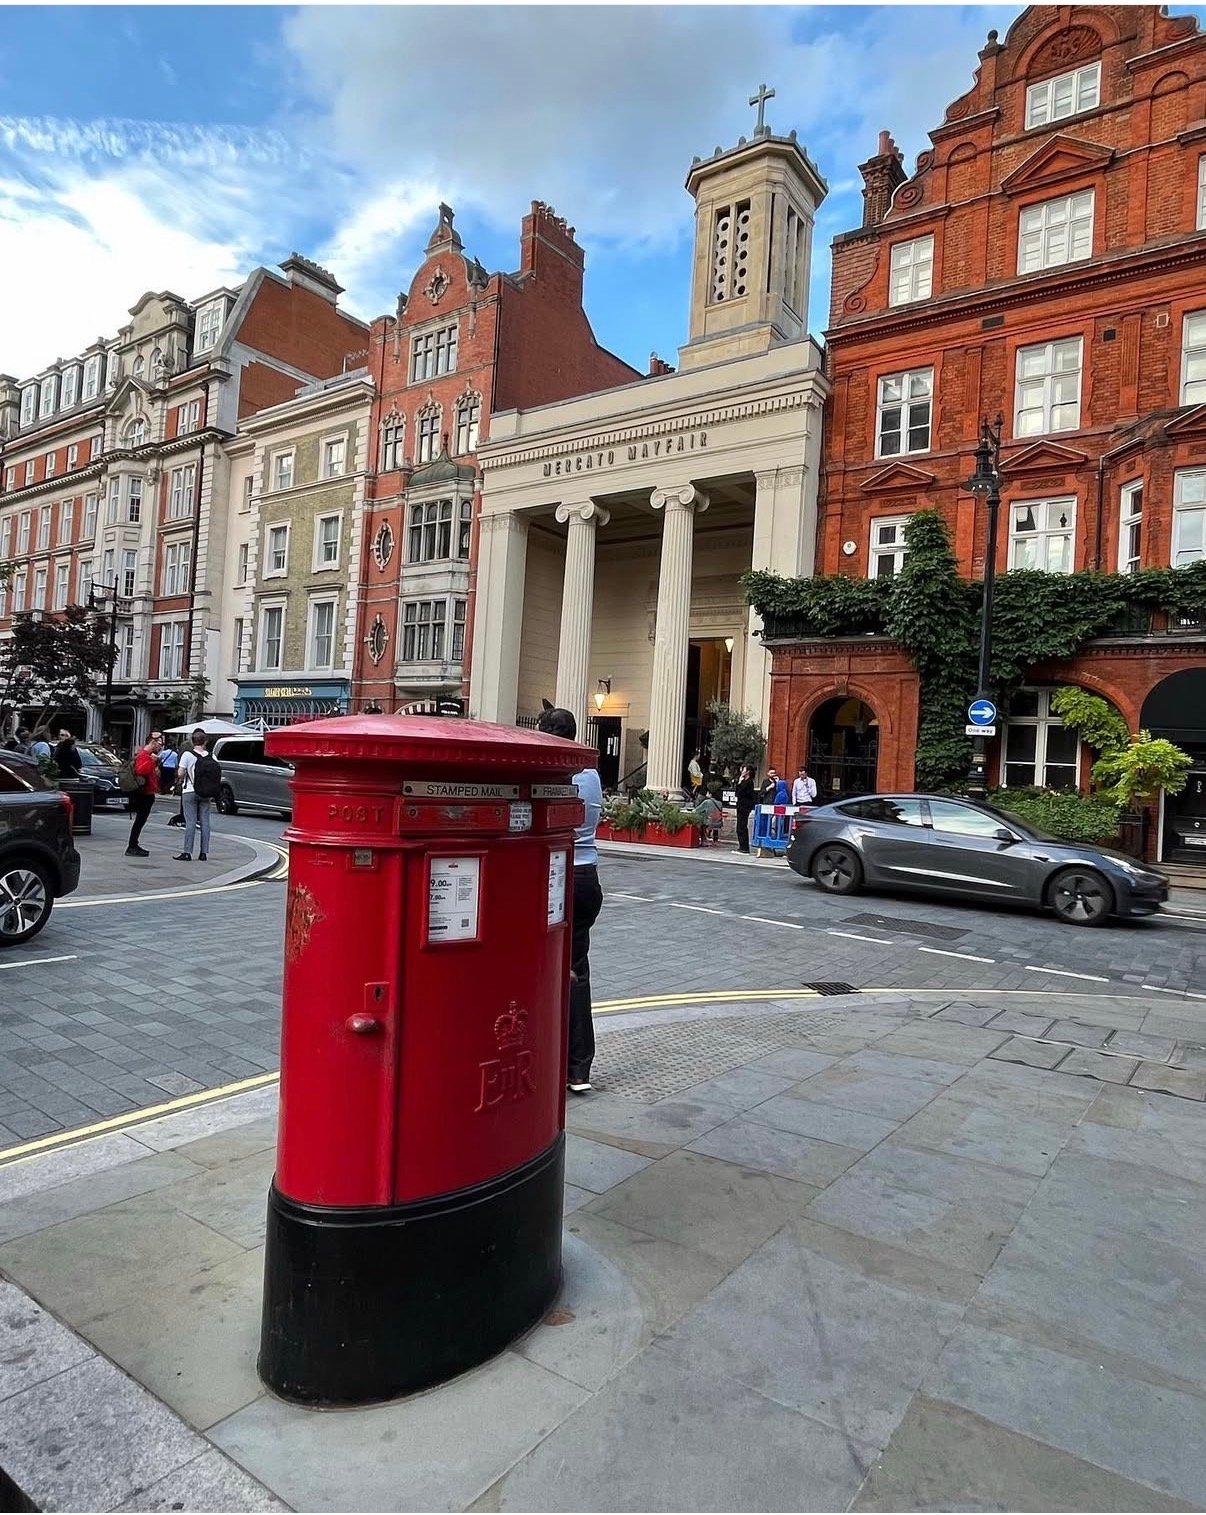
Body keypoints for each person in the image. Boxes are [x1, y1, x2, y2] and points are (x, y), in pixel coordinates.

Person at [537, 706, 603, 1096]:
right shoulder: (592, 774)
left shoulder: (556, 772)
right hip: (588, 876)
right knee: (577, 972)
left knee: (546, 968)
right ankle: (579, 1068)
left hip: (559, 876)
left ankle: (545, 1057)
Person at [174, 728, 215, 862]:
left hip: (190, 791)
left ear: (192, 741)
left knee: (190, 822)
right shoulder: (210, 756)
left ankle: (187, 852)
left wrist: (183, 775)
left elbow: (180, 773)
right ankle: (203, 853)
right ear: (206, 741)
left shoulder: (187, 754)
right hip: (206, 792)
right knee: (205, 822)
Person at [125, 730, 164, 856]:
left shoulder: (147, 754)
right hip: (144, 793)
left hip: (147, 792)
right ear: (153, 743)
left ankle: (133, 844)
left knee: (140, 821)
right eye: (159, 744)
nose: (160, 747)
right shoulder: (145, 755)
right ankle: (132, 845)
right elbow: (141, 771)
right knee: (139, 821)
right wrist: (153, 761)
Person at [734, 765, 757, 854]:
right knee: (740, 826)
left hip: (744, 807)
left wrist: (739, 783)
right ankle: (742, 846)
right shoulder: (745, 781)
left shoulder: (748, 782)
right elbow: (737, 793)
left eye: (743, 770)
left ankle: (744, 848)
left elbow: (739, 793)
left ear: (747, 772)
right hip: (741, 806)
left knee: (742, 827)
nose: (742, 771)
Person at [161, 741, 184, 825]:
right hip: (171, 768)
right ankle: (169, 790)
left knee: (163, 780)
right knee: (170, 781)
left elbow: (160, 758)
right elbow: (176, 762)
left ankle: (163, 790)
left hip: (165, 767)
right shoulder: (174, 754)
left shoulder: (163, 752)